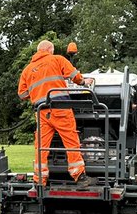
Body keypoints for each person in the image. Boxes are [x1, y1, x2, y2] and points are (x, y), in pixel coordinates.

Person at [17, 40, 91, 187]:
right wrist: (84, 82)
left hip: (42, 112)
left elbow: (22, 94)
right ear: (50, 50)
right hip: (61, 108)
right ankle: (79, 176)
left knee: (41, 146)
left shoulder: (27, 69)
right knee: (71, 141)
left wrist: (36, 91)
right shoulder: (57, 59)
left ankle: (39, 181)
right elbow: (74, 75)